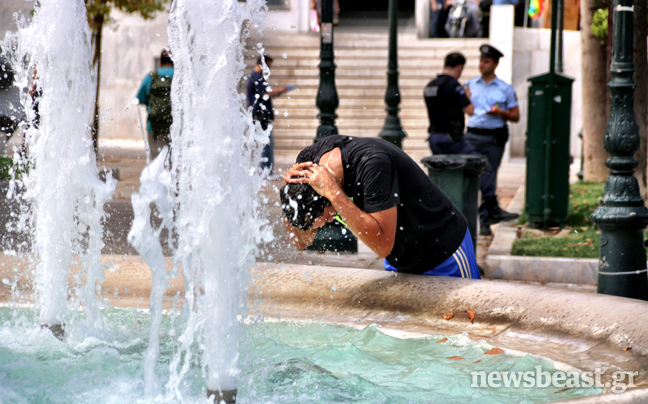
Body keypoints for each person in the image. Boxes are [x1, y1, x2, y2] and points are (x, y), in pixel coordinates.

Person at [280, 135, 481, 279]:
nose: (332, 219)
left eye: (328, 215)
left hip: (443, 251)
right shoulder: (309, 164)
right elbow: (301, 242)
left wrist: (334, 192)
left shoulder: (372, 164)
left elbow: (383, 245)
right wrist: (290, 198)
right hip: (400, 260)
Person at [464, 44, 519, 236]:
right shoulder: (469, 85)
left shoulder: (505, 88)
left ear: (495, 64)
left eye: (486, 61)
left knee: (489, 175)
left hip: (494, 138)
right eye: (481, 60)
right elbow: (462, 108)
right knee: (480, 177)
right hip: (472, 136)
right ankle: (489, 213)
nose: (482, 64)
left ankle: (485, 220)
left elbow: (515, 116)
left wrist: (501, 112)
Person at [246, 55, 291, 181]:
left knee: (264, 142)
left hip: (258, 115)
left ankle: (264, 170)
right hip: (261, 115)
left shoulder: (253, 76)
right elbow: (265, 94)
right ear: (262, 64)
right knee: (267, 143)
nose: (269, 70)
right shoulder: (257, 77)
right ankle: (267, 171)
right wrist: (280, 90)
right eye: (268, 66)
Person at [425, 52, 475, 155]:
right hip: (450, 139)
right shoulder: (453, 85)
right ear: (460, 67)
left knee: (442, 170)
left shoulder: (430, 85)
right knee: (482, 165)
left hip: (434, 137)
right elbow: (470, 110)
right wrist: (467, 97)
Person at [136, 48, 174, 160]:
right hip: (175, 127)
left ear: (161, 62)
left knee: (157, 163)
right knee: (176, 165)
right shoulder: (179, 77)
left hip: (154, 127)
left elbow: (139, 98)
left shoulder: (151, 77)